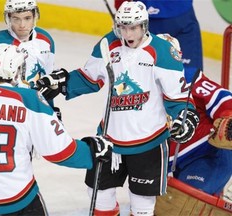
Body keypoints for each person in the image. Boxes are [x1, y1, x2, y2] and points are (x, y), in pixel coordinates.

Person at [36, 1, 200, 215]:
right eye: (123, 27)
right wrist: (63, 83)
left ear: (144, 26)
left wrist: (185, 118)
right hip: (109, 139)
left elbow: (177, 98)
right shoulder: (109, 44)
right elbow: (89, 78)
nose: (128, 33)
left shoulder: (163, 52)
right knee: (99, 196)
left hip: (149, 142)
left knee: (142, 205)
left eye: (133, 27)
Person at [0, 43, 113, 216]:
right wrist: (92, 151)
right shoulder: (29, 99)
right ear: (18, 70)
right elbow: (60, 152)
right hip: (16, 199)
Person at [157, 33, 232, 199]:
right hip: (171, 166)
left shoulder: (189, 79)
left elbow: (224, 98)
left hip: (206, 155)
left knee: (186, 200)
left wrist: (228, 117)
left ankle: (216, 188)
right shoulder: (141, 87)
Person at [0, 0, 63, 117]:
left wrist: (49, 110)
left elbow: (47, 76)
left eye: (27, 18)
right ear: (8, 18)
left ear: (35, 16)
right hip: (6, 110)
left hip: (36, 108)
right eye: (16, 19)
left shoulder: (45, 40)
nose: (22, 25)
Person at [114, 0, 203, 83]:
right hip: (158, 19)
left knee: (191, 79)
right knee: (190, 80)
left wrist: (122, 8)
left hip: (176, 18)